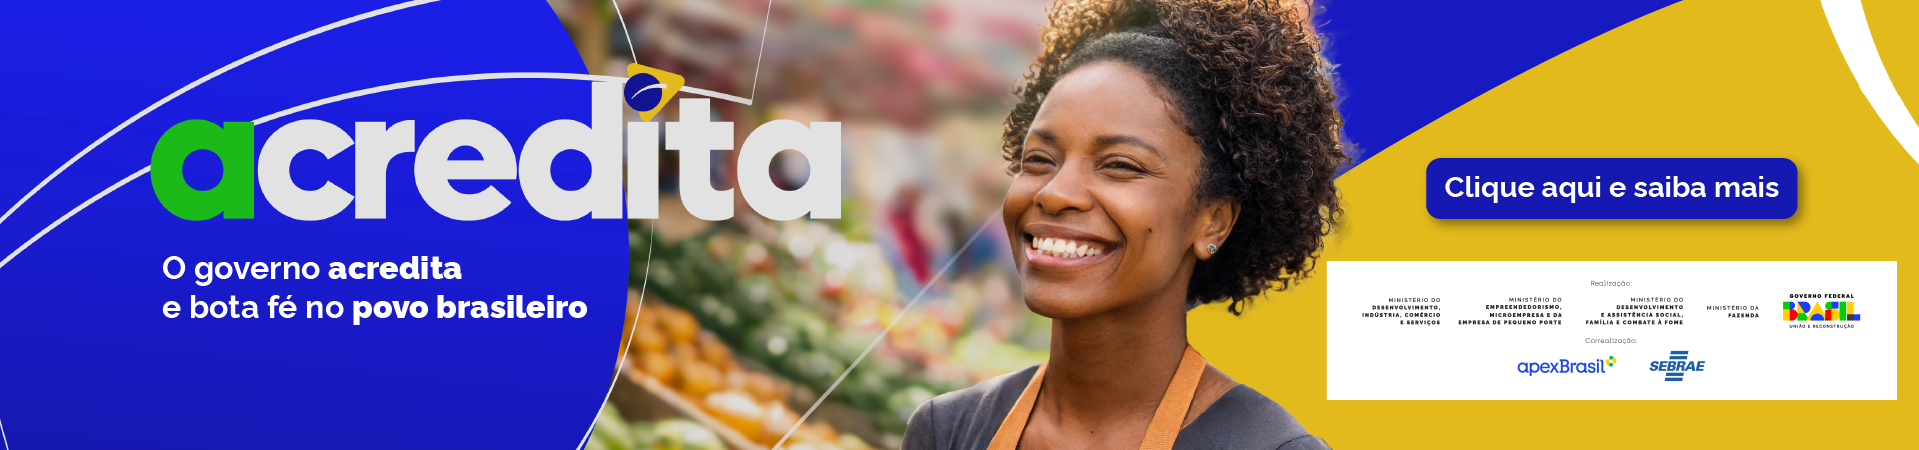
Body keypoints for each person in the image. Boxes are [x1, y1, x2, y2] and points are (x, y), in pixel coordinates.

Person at [902, 0, 1345, 448]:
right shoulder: (947, 431)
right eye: (1039, 159)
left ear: (1213, 223)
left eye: (1120, 165)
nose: (1054, 193)